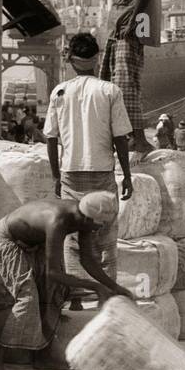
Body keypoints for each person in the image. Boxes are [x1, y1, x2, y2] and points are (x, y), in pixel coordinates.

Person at [0, 194, 131, 370]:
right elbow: (53, 273)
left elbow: (87, 260)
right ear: (88, 218)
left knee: (54, 292)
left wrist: (114, 287)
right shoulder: (58, 220)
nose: (100, 228)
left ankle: (42, 357)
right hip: (8, 240)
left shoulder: (85, 219)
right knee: (28, 296)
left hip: (35, 242)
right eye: (100, 224)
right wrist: (95, 287)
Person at [43, 32, 134, 282]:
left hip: (70, 176)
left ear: (71, 61)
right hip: (103, 175)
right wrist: (127, 176)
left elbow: (50, 139)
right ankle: (109, 292)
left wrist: (55, 177)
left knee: (73, 238)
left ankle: (77, 296)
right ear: (97, 59)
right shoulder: (110, 91)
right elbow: (120, 138)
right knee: (104, 238)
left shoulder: (59, 92)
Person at [103, 0, 158, 154]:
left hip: (127, 30)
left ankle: (139, 138)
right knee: (113, 82)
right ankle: (126, 135)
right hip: (119, 29)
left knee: (126, 84)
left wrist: (132, 23)